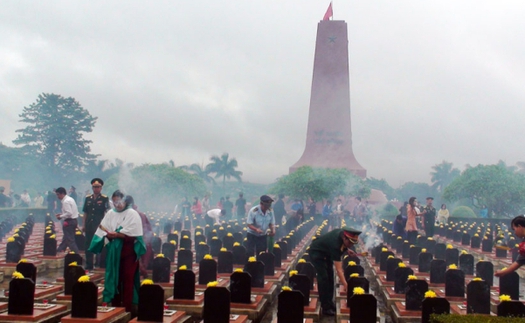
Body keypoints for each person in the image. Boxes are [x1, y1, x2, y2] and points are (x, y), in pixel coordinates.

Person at [88, 190, 146, 313]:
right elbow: (103, 230)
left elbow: (135, 234)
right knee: (114, 278)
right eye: (114, 202)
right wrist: (108, 235)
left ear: (125, 201)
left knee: (127, 279)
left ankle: (127, 307)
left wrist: (119, 234)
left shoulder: (132, 214)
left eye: (119, 202)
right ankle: (115, 305)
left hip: (128, 253)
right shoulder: (110, 213)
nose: (117, 205)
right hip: (114, 253)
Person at [309, 227, 361, 316]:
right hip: (317, 253)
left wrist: (347, 250)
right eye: (350, 242)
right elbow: (339, 270)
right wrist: (346, 285)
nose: (351, 245)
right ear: (345, 237)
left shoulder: (342, 234)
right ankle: (325, 307)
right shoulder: (335, 245)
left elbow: (342, 244)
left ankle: (330, 303)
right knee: (324, 278)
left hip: (327, 253)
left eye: (353, 243)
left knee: (330, 276)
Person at [82, 178, 110, 270]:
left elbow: (107, 212)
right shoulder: (88, 198)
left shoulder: (104, 198)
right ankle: (89, 264)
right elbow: (85, 212)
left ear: (101, 188)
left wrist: (105, 225)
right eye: (94, 187)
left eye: (98, 187)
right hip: (89, 224)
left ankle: (99, 263)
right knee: (88, 245)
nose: (96, 189)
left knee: (99, 244)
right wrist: (83, 225)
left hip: (99, 225)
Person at [127, 195, 153, 279]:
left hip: (136, 239)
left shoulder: (132, 214)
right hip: (143, 239)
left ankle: (142, 271)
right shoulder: (140, 213)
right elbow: (149, 229)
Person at [55, 187, 80, 253]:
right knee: (66, 238)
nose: (57, 196)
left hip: (69, 222)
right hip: (74, 220)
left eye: (58, 194)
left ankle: (77, 255)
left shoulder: (66, 201)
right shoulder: (70, 199)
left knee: (70, 240)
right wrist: (62, 214)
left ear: (62, 193)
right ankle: (59, 250)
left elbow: (69, 213)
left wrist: (61, 216)